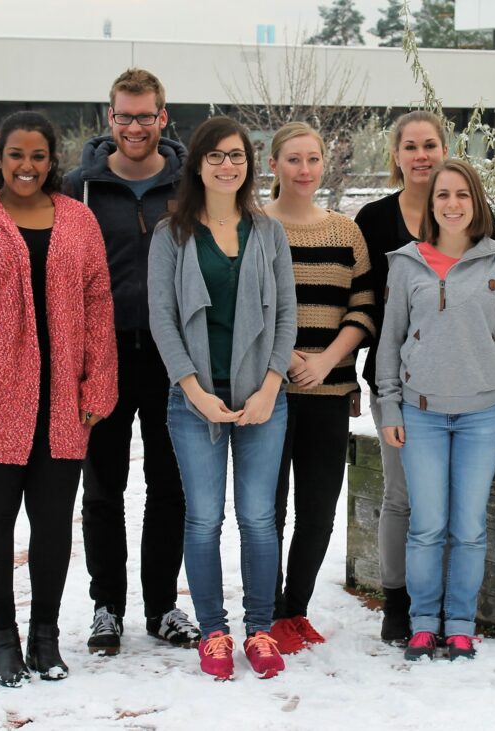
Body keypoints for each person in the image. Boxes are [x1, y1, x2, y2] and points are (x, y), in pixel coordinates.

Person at [0, 111, 118, 687]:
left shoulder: (80, 222)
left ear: (52, 160)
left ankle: (45, 637)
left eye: (38, 156)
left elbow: (98, 304)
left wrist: (98, 384)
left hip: (62, 403)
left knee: (54, 522)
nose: (27, 166)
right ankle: (3, 637)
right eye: (16, 155)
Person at [148, 116, 297, 681]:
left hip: (263, 399)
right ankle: (213, 631)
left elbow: (286, 316)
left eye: (236, 156)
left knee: (259, 519)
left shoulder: (268, 232)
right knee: (204, 518)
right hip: (195, 400)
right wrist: (194, 391)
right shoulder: (172, 234)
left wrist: (269, 388)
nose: (227, 165)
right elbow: (163, 320)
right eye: (215, 156)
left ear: (249, 164)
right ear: (197, 165)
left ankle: (259, 629)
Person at [62, 68, 201, 655]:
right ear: (110, 118)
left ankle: (163, 605)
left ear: (162, 117)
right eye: (125, 115)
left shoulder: (190, 185)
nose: (136, 126)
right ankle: (106, 607)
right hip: (104, 354)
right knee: (103, 487)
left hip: (173, 355)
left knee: (170, 486)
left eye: (147, 115)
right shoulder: (79, 187)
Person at [377, 159, 495, 661]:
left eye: (462, 194)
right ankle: (421, 623)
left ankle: (459, 622)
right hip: (421, 414)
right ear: (431, 203)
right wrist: (389, 405)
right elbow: (388, 342)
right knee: (427, 525)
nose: (452, 204)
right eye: (442, 195)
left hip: (482, 413)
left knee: (469, 526)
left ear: (475, 201)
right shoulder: (406, 262)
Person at [263, 122, 376, 653]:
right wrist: (286, 358)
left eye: (312, 159)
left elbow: (363, 306)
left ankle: (295, 611)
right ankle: (264, 613)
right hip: (270, 392)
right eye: (293, 160)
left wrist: (329, 359)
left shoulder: (345, 232)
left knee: (317, 510)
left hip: (328, 393)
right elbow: (248, 306)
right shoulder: (256, 228)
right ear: (273, 165)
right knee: (268, 509)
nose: (304, 170)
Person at [355, 111, 450, 643]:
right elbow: (362, 305)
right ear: (396, 155)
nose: (421, 155)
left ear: (444, 149)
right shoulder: (373, 220)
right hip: (395, 381)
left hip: (462, 381)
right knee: (403, 495)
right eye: (410, 146)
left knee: (450, 499)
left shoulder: (466, 213)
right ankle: (398, 600)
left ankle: (442, 602)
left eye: (430, 145)